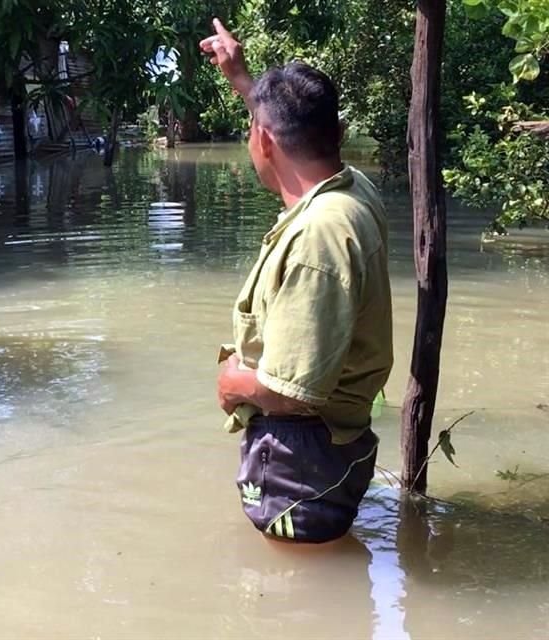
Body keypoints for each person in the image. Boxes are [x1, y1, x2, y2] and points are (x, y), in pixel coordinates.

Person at [200, 19, 393, 543]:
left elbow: (296, 394)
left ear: (263, 140)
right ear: (337, 133)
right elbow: (288, 143)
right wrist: (244, 83)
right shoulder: (352, 190)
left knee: (294, 603)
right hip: (330, 451)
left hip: (302, 461)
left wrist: (236, 382)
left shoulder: (318, 237)